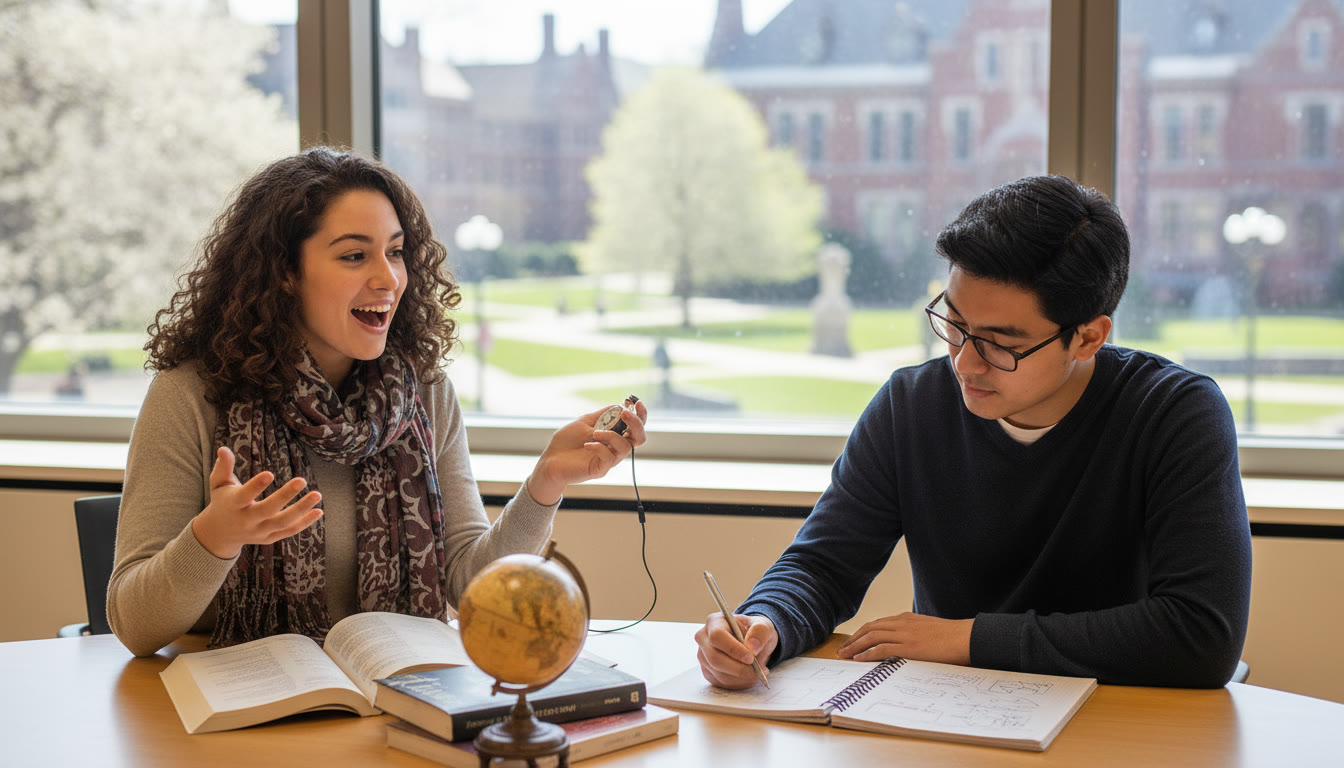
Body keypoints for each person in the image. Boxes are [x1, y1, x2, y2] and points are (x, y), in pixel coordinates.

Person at [695, 175, 1251, 689]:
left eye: (1000, 343)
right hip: (955, 716)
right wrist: (765, 622)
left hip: (1123, 721)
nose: (964, 364)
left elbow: (1202, 632)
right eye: (954, 325)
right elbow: (823, 566)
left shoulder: (1175, 415)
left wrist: (966, 638)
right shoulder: (911, 405)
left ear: (1087, 338)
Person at [108, 147, 647, 657]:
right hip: (234, 714)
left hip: (389, 701)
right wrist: (215, 538)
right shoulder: (191, 395)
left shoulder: (425, 392)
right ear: (285, 272)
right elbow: (134, 625)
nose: (387, 278)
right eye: (353, 255)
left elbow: (470, 587)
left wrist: (546, 482)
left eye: (394, 252)